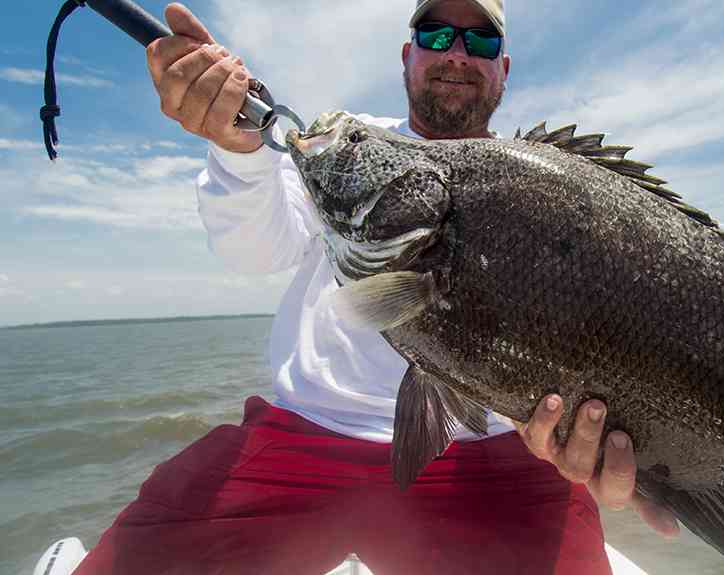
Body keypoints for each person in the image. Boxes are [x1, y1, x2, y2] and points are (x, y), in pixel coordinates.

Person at [72, 1, 678, 573]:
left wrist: (657, 456)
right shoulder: (356, 149)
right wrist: (240, 151)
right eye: (436, 35)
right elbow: (256, 249)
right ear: (407, 56)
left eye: (481, 40)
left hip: (503, 450)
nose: (457, 53)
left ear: (504, 67)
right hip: (305, 436)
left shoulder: (552, 188)